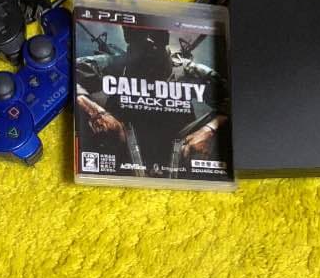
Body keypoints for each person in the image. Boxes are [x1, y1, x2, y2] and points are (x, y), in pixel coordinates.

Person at [75, 25, 228, 177]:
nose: (148, 40)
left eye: (155, 33)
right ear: (128, 36)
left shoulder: (188, 71)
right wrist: (97, 113)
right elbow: (69, 73)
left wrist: (209, 130)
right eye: (140, 34)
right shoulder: (113, 65)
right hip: (122, 152)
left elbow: (231, 100)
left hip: (179, 157)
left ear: (165, 37)